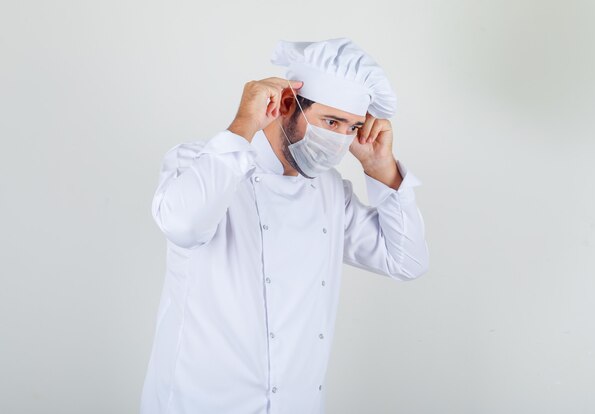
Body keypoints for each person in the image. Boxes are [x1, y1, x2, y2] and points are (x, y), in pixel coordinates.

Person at [140, 37, 429, 414]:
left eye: (352, 127)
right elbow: (183, 226)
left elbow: (406, 261)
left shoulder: (329, 193)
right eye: (331, 122)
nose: (341, 140)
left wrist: (382, 171)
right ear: (288, 105)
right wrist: (243, 125)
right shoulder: (202, 162)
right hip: (200, 402)